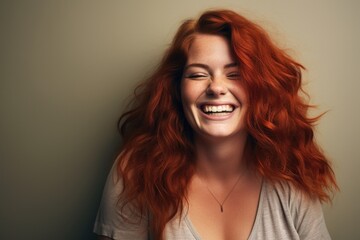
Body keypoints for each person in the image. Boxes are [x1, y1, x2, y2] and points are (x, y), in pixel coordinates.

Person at [93, 9, 338, 240]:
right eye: (198, 74)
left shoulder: (291, 173)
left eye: (235, 74)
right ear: (176, 89)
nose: (216, 88)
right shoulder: (136, 173)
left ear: (261, 89)